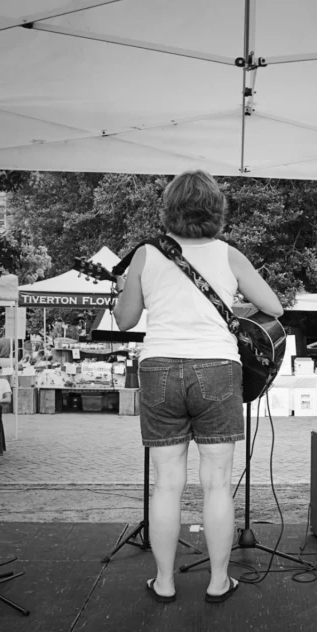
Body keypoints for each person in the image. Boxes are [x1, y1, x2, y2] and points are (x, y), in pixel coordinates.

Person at [112, 169, 283, 604]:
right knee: (217, 483)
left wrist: (124, 290)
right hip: (217, 367)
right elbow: (274, 306)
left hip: (159, 367)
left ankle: (164, 582)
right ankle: (218, 581)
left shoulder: (145, 254)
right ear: (216, 210)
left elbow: (126, 320)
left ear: (169, 208)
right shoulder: (229, 255)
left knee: (167, 483)